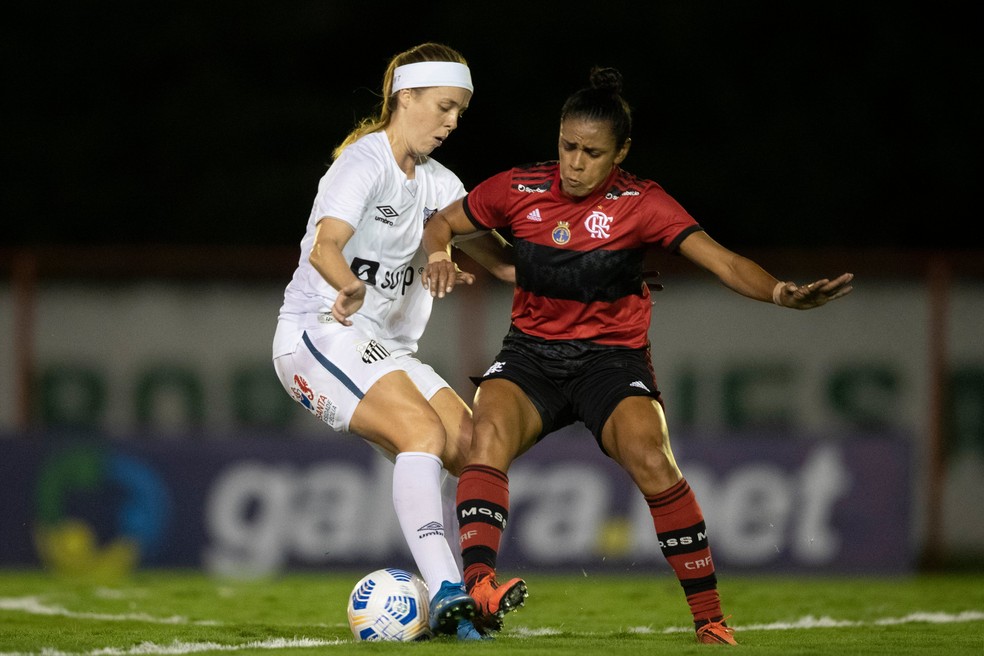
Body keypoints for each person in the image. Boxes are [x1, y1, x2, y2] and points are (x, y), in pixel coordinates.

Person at [421, 66, 854, 645]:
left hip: (611, 362)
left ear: (620, 152)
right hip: (531, 357)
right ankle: (479, 586)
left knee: (654, 460)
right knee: (484, 437)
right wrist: (443, 251)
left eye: (592, 152)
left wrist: (780, 293)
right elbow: (443, 221)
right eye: (567, 146)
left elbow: (723, 261)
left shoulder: (641, 202)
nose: (575, 162)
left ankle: (710, 620)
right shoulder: (519, 188)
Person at [272, 42, 513, 642]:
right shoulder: (362, 164)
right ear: (406, 97)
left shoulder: (441, 184)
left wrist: (596, 269)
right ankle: (452, 595)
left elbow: (508, 267)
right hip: (320, 333)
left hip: (387, 348)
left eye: (460, 111)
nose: (453, 122)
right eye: (444, 107)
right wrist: (349, 286)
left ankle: (469, 589)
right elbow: (326, 246)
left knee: (476, 448)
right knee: (422, 434)